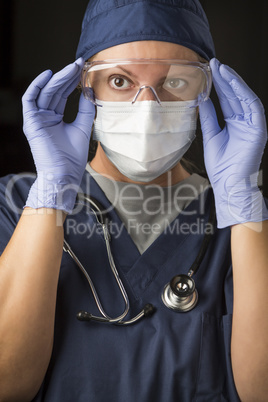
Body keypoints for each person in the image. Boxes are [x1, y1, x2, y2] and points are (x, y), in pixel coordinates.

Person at [0, 0, 267, 401]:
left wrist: (242, 200)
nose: (148, 108)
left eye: (175, 81)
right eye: (121, 82)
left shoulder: (243, 223)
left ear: (205, 91)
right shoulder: (14, 204)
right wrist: (51, 195)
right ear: (87, 88)